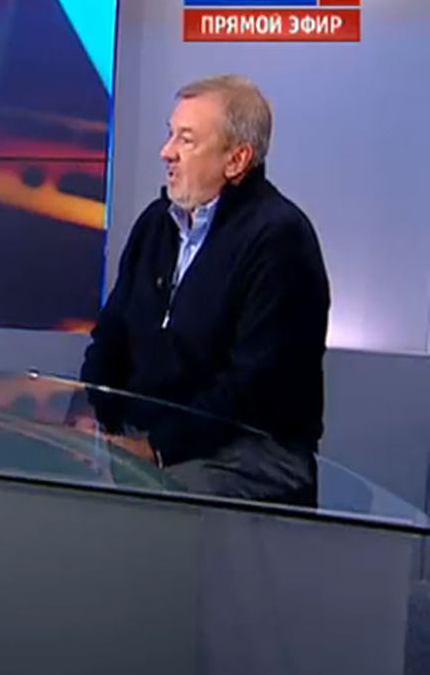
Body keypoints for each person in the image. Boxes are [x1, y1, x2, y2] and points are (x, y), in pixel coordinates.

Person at [73, 74, 330, 504]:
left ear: (236, 159)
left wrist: (155, 449)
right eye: (170, 134)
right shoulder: (156, 224)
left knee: (153, 501)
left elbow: (251, 385)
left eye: (186, 140)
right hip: (148, 437)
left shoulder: (280, 238)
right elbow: (111, 337)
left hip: (246, 453)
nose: (166, 151)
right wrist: (90, 413)